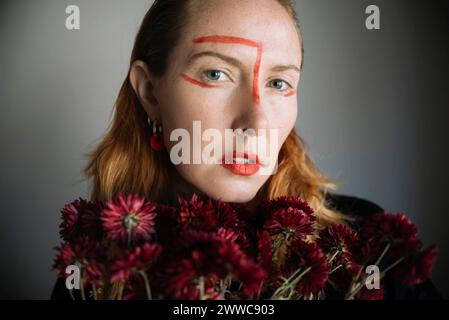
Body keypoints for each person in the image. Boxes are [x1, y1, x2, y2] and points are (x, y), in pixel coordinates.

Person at [51, 0, 441, 299]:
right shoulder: (95, 273)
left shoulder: (369, 251)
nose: (256, 123)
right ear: (151, 91)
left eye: (278, 83)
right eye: (216, 73)